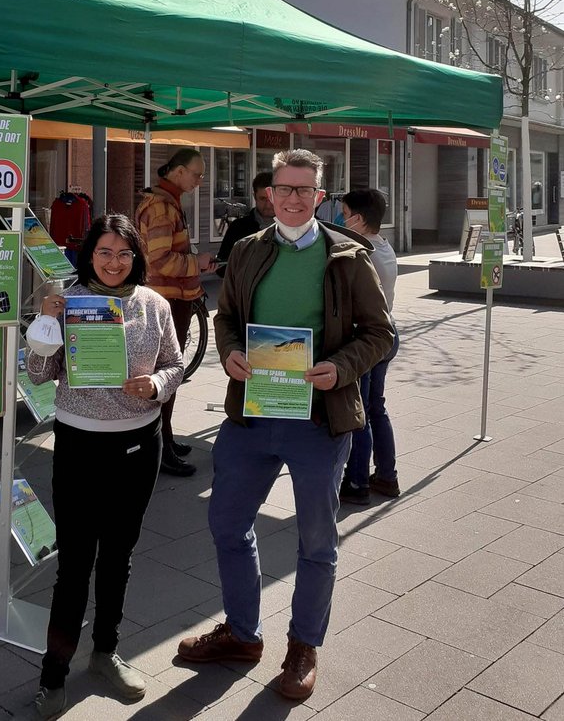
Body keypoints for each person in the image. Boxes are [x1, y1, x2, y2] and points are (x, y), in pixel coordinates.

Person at [176, 149, 393, 702]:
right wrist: (227, 353)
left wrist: (340, 368)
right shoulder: (249, 249)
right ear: (269, 194)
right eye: (284, 188)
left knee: (317, 540)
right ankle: (243, 634)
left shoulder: (348, 256)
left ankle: (303, 646)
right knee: (227, 524)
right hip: (252, 413)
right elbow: (226, 317)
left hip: (319, 420)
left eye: (305, 190)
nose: (293, 198)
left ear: (320, 197)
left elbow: (381, 334)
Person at [25, 213, 184, 720]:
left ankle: (104, 653)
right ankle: (53, 675)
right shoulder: (67, 302)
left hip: (139, 447)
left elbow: (175, 365)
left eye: (124, 253)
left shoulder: (154, 305)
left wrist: (156, 386)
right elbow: (38, 372)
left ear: (136, 256)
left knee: (119, 555)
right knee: (74, 566)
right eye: (104, 253)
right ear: (89, 255)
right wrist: (46, 322)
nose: (114, 263)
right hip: (78, 447)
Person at [135, 147, 215, 476]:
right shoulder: (161, 206)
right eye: (197, 174)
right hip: (166, 302)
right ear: (178, 172)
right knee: (166, 376)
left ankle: (164, 438)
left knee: (168, 376)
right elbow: (158, 260)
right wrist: (197, 263)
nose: (200, 181)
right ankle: (159, 447)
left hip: (170, 300)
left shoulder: (167, 201)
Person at [338, 189, 400, 504]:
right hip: (388, 334)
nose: (340, 220)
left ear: (358, 220)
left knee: (359, 411)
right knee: (376, 407)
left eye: (345, 214)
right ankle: (387, 476)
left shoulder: (362, 253)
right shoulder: (385, 247)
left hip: (366, 340)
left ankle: (358, 482)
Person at [216, 171, 274, 273]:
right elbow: (222, 267)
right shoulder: (238, 227)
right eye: (263, 199)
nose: (268, 205)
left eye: (271, 199)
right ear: (254, 196)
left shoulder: (291, 227)